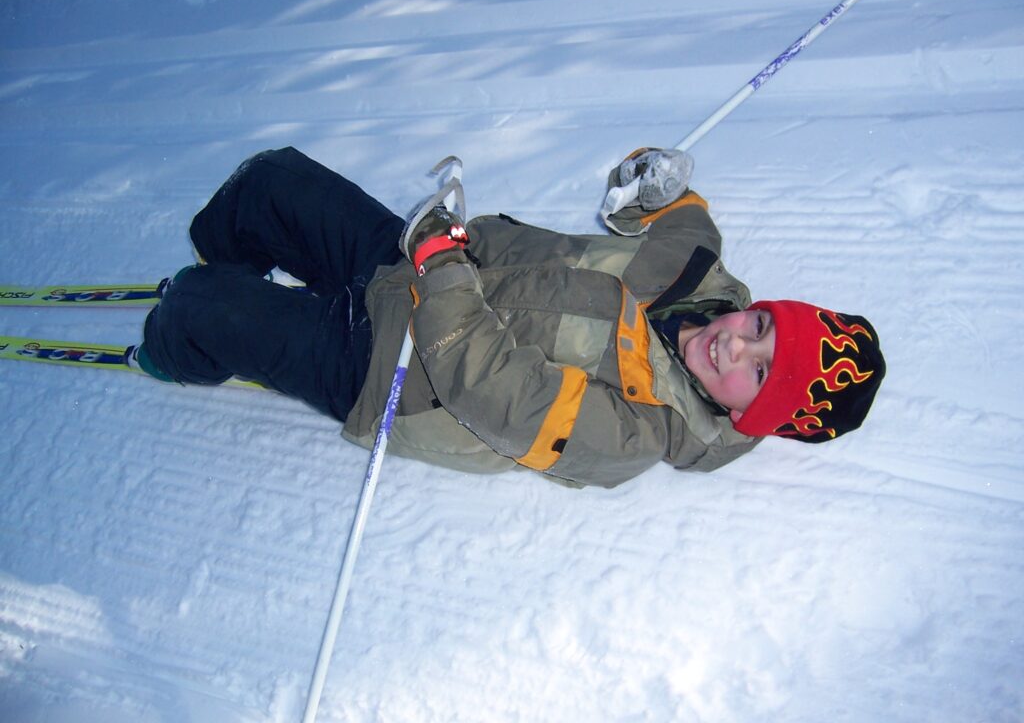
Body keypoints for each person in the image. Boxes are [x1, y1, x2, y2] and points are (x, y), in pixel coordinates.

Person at [130, 146, 885, 489]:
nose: (736, 345)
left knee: (203, 311)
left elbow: (486, 385)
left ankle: (175, 346)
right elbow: (675, 212)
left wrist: (442, 264)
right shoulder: (703, 273)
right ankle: (223, 263)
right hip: (420, 261)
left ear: (750, 418)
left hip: (396, 370)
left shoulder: (635, 435)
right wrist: (655, 180)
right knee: (271, 182)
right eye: (763, 330)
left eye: (758, 376)